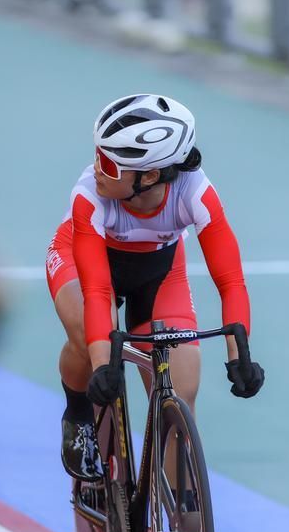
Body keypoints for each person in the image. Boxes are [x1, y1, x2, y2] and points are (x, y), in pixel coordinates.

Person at [46, 94, 264, 480]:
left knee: (181, 394)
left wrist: (238, 352)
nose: (97, 167)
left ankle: (180, 516)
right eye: (98, 153)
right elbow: (97, 290)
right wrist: (101, 366)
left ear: (148, 176)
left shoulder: (195, 192)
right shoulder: (89, 193)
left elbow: (230, 279)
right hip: (86, 261)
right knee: (88, 334)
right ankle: (77, 412)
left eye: (110, 162)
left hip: (160, 272)